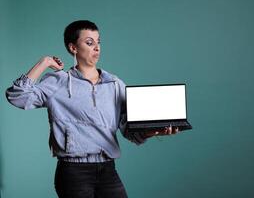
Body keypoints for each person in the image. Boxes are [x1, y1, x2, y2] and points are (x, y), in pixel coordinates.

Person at [5, 20, 180, 198]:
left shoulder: (115, 84)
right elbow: (17, 96)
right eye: (89, 42)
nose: (96, 47)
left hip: (108, 170)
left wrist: (154, 131)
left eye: (98, 42)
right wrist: (44, 62)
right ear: (73, 47)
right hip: (73, 172)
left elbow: (129, 131)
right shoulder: (58, 81)